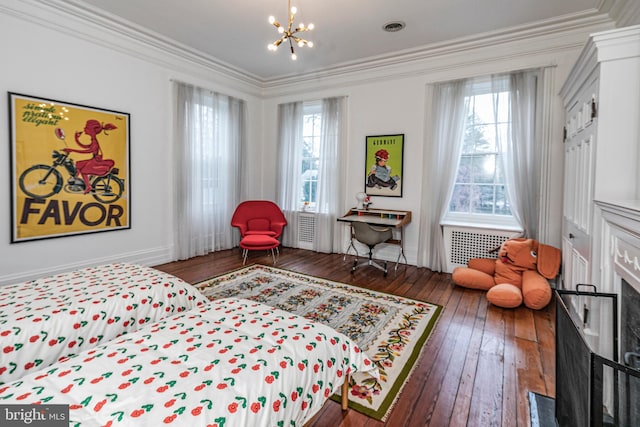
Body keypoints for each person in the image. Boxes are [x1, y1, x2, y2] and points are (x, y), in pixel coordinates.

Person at [63, 119, 116, 193]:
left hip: (96, 161)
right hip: (94, 160)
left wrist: (72, 150)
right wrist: (76, 139)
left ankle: (88, 187)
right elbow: (85, 146)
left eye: (86, 128)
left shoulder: (95, 141)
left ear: (92, 130)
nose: (84, 129)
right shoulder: (93, 139)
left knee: (84, 171)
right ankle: (75, 181)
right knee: (78, 164)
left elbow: (88, 151)